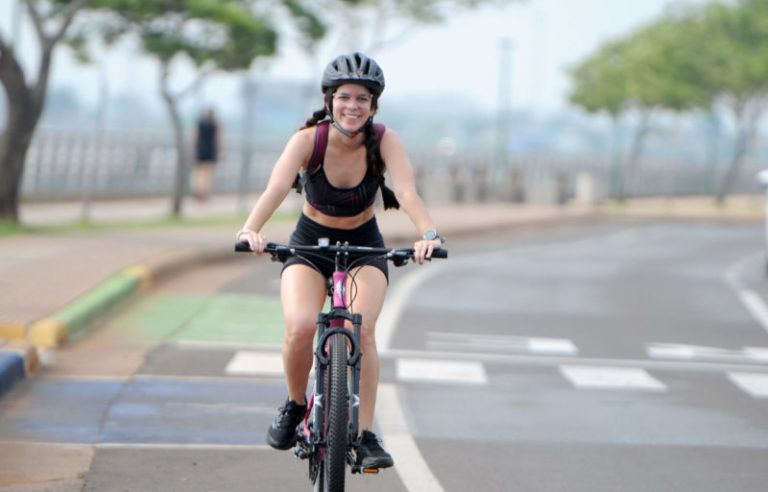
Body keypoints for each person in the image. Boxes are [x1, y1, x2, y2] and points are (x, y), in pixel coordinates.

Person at [236, 52, 444, 469]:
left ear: (374, 105)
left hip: (363, 245)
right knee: (298, 327)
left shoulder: (386, 141)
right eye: (344, 97)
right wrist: (250, 229)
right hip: (310, 245)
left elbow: (406, 193)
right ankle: (295, 405)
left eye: (363, 99)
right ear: (329, 100)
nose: (353, 106)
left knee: (361, 333)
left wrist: (429, 235)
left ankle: (365, 434)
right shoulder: (306, 140)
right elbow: (277, 188)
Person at [192, 108, 220, 201]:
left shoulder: (200, 124)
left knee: (200, 173)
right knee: (208, 174)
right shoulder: (214, 125)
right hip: (210, 151)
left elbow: (195, 136)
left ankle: (200, 192)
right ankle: (205, 194)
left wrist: (194, 149)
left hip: (201, 150)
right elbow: (217, 139)